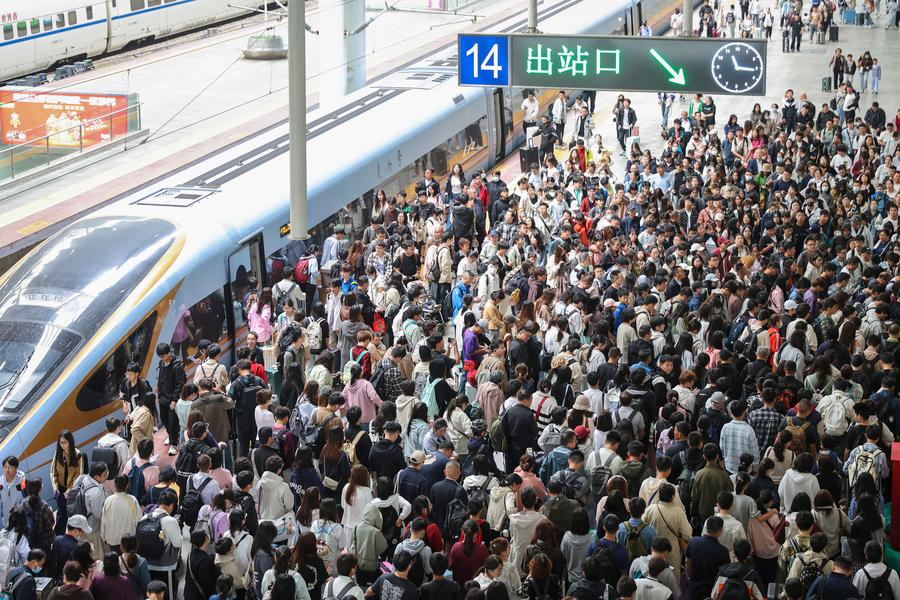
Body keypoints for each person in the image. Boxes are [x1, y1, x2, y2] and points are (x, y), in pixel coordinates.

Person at [685, 516, 731, 600]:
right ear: (720, 531)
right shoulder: (723, 551)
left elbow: (687, 562)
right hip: (712, 589)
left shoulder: (693, 542)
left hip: (694, 586)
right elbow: (723, 575)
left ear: (706, 528)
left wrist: (689, 577)